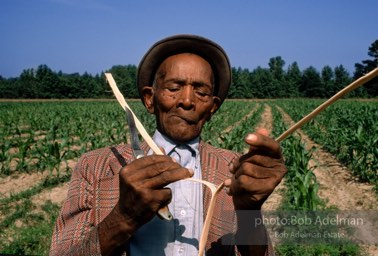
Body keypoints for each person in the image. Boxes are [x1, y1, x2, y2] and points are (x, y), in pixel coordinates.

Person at [49, 34, 287, 256]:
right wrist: (124, 216)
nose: (186, 101)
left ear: (213, 107)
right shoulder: (96, 166)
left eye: (201, 92)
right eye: (174, 88)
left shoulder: (234, 170)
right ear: (150, 99)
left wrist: (249, 212)